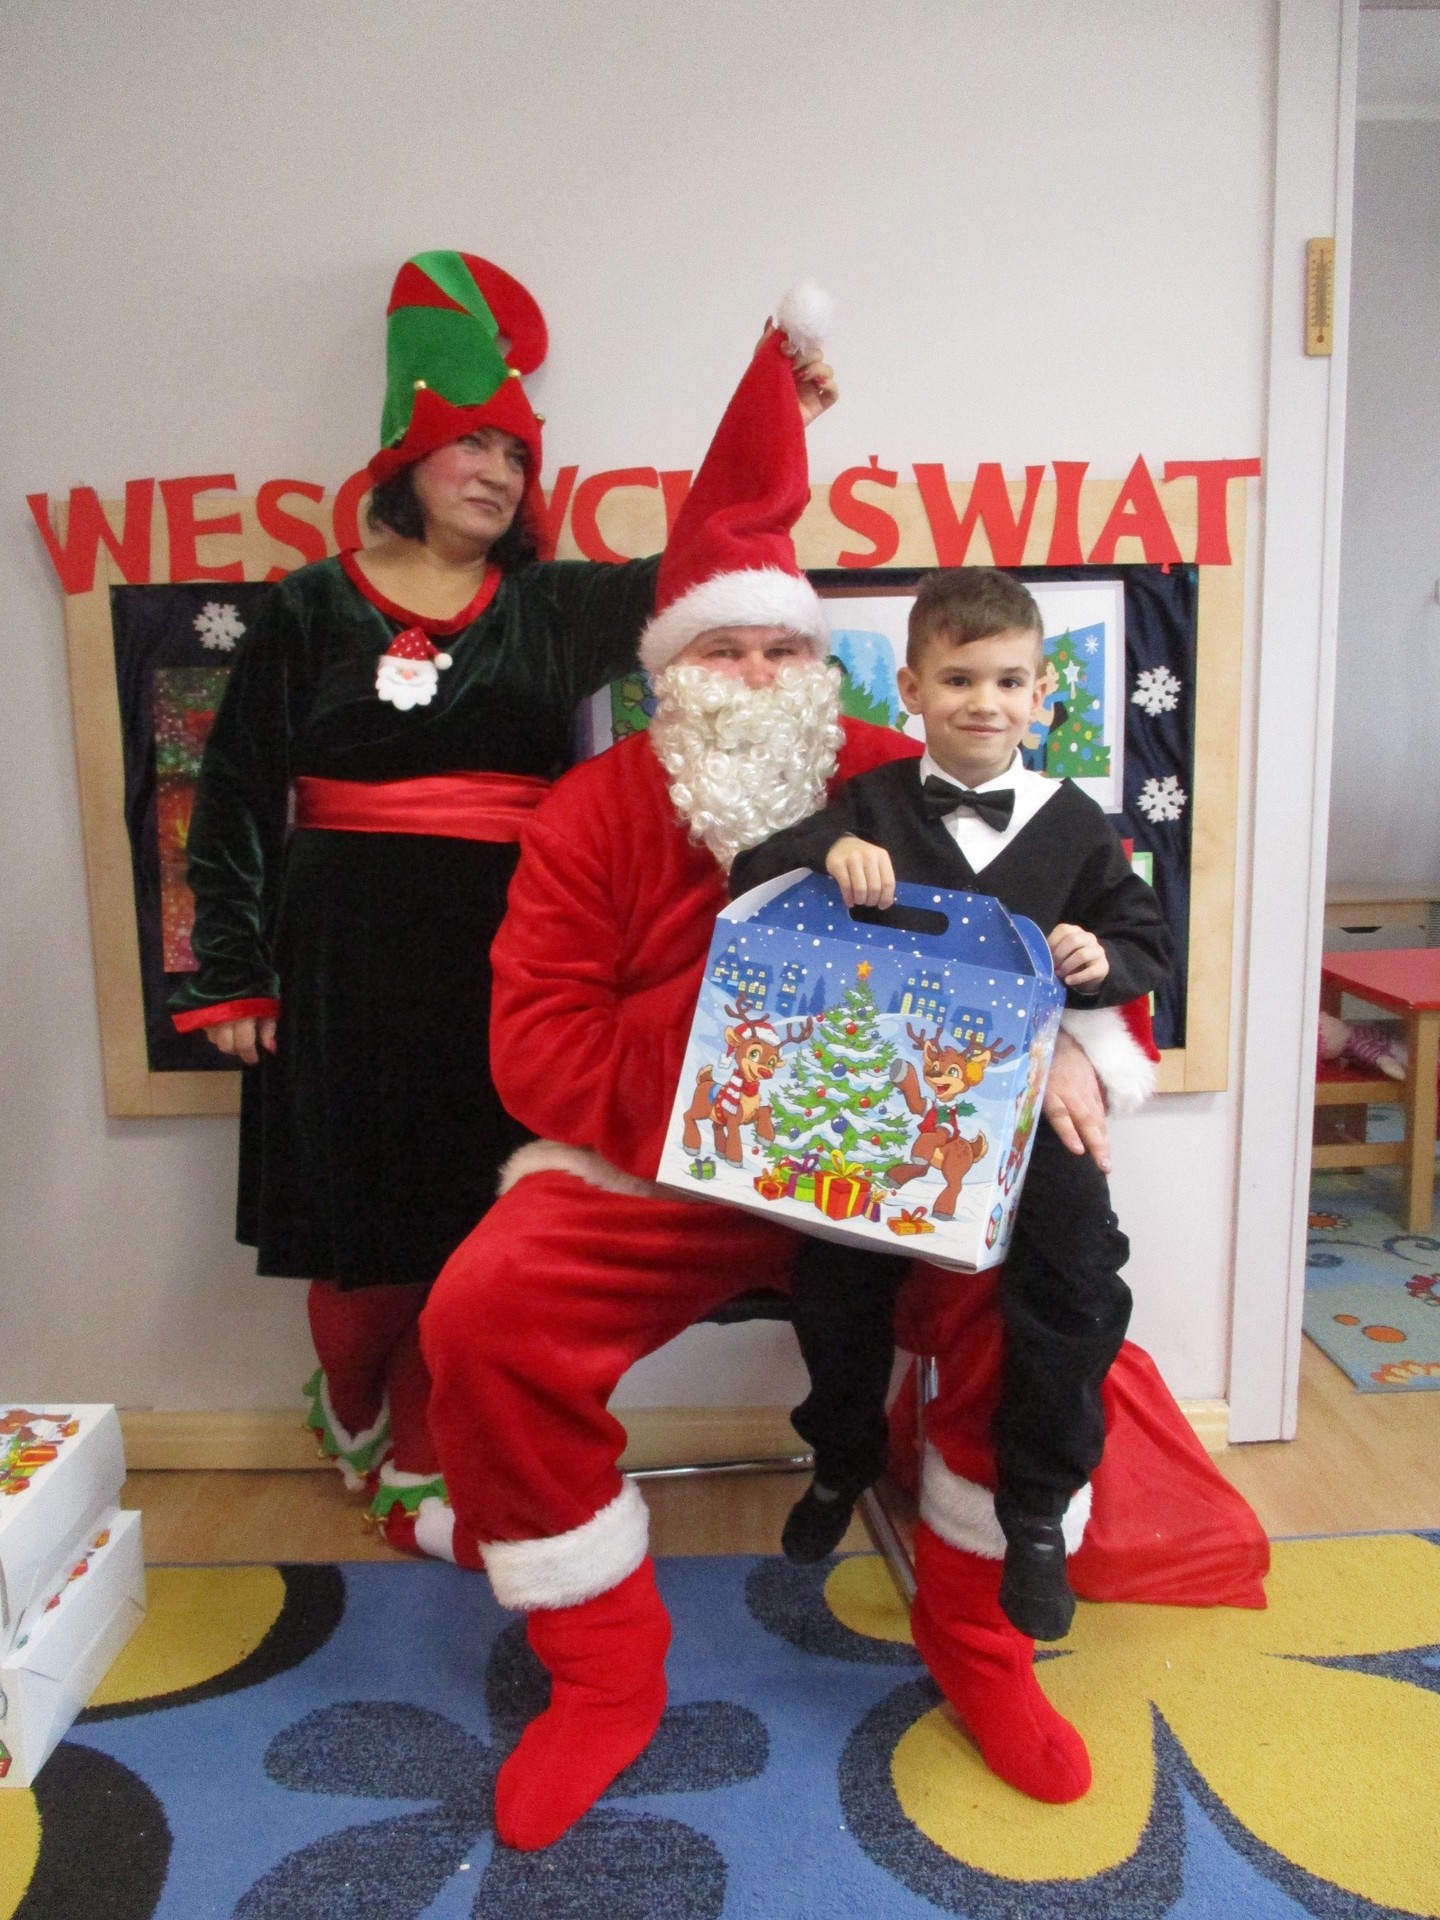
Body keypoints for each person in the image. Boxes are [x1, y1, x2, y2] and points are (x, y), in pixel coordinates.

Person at [420, 321, 1264, 1848]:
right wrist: (748, 1046)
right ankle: (602, 1672)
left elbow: (1071, 906)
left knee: (1026, 1289)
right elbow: (534, 1047)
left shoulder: (903, 765)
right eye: (723, 652)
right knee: (484, 1312)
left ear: (828, 666)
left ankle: (977, 1632)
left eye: (784, 649)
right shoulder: (593, 813)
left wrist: (1067, 1049)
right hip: (658, 1173)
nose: (757, 675)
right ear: (668, 674)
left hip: (895, 1172)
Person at [167, 252, 835, 1560]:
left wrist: (775, 417)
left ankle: (433, 1455)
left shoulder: (552, 606)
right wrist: (233, 973)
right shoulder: (308, 606)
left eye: (516, 455)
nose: (496, 473)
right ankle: (346, 1395)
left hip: (511, 949)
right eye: (470, 444)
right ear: (405, 457)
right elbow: (236, 788)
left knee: (467, 1223)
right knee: (357, 1249)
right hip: (344, 950)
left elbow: (702, 572)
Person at [730, 568, 1171, 1640]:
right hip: (882, 1095)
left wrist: (1098, 959)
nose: (985, 701)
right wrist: (825, 848)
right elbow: (754, 870)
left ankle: (1035, 1508)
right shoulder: (873, 802)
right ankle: (844, 1457)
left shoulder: (1074, 823)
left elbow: (1145, 940)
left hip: (1020, 1101)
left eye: (1009, 680)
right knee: (834, 1277)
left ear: (1041, 696)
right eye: (960, 678)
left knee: (1077, 1270)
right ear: (913, 691)